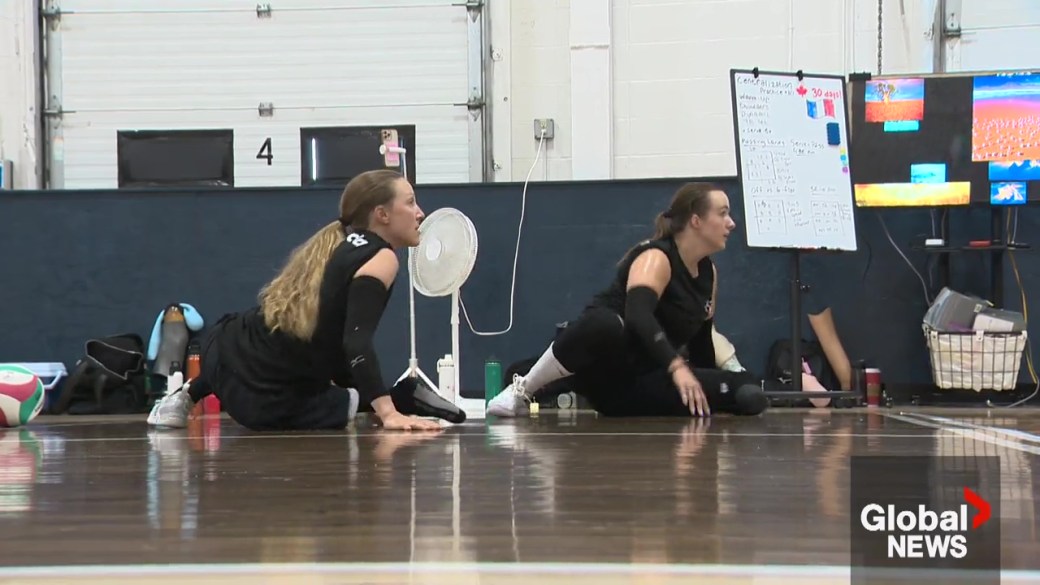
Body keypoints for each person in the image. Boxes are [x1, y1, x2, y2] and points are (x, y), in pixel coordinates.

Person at [148, 169, 464, 432]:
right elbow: (356, 344)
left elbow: (331, 346)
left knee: (340, 392)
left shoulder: (341, 242)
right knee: (344, 407)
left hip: (223, 349)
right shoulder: (381, 256)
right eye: (410, 203)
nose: (420, 212)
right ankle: (402, 397)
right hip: (260, 396)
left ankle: (184, 395)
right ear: (382, 214)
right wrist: (389, 412)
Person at [487, 182, 776, 418]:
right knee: (605, 324)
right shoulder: (656, 257)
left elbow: (701, 343)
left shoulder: (708, 274)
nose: (732, 223)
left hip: (642, 383)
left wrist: (707, 383)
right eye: (723, 213)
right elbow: (638, 316)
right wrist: (677, 367)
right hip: (604, 367)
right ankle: (522, 388)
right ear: (696, 221)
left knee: (747, 391)